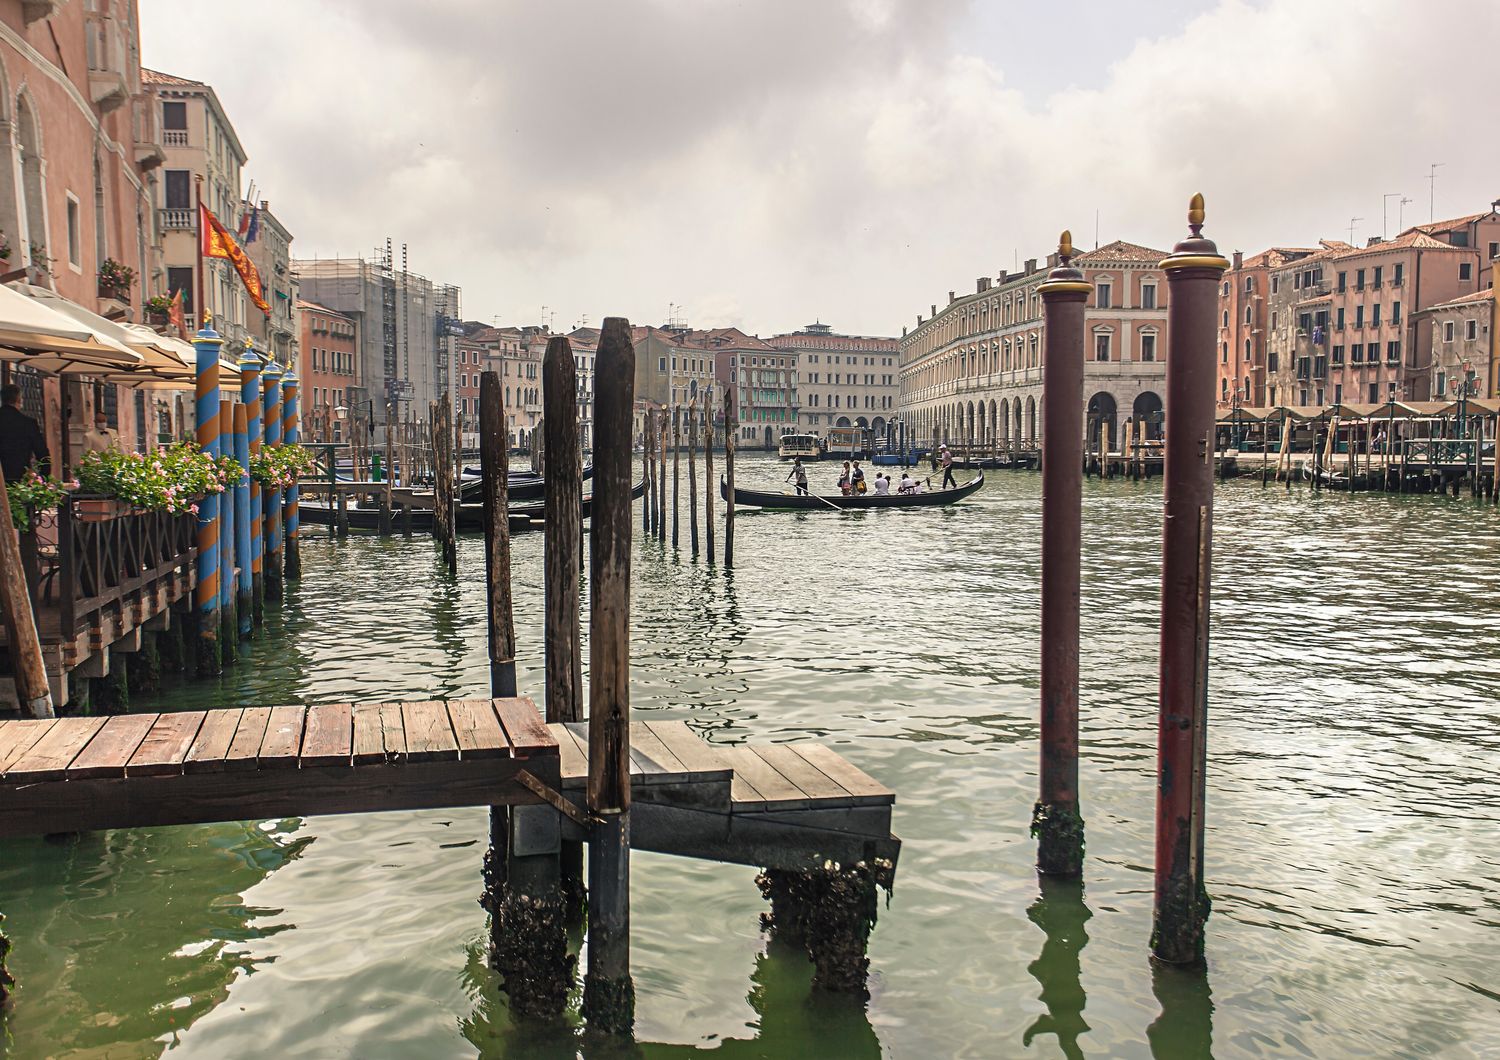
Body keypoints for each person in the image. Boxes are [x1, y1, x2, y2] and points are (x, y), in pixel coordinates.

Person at [0, 383, 49, 484]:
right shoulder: (28, 423)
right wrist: (44, 479)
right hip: (20, 482)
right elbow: (42, 453)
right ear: (19, 399)